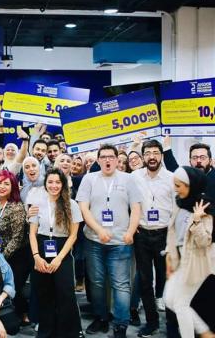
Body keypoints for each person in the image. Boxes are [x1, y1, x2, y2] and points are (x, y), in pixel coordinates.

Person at [77, 144, 142, 338]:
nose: (107, 160)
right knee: (97, 283)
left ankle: (120, 324)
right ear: (98, 160)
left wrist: (130, 232)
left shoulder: (128, 179)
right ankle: (101, 318)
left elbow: (136, 208)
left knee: (121, 284)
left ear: (116, 159)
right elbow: (83, 208)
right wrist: (98, 229)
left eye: (111, 157)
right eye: (103, 157)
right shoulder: (89, 179)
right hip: (94, 240)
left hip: (121, 241)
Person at [28, 168, 83, 337]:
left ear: (63, 184)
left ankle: (69, 333)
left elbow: (73, 235)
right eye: (50, 182)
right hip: (41, 247)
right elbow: (32, 233)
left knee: (65, 294)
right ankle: (46, 332)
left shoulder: (71, 204)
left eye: (58, 182)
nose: (54, 185)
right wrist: (37, 257)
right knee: (44, 295)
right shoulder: (37, 203)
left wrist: (59, 259)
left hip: (62, 250)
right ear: (45, 184)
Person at [164, 166, 215, 338]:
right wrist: (169, 256)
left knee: (180, 304)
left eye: (179, 185)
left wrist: (197, 220)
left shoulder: (203, 207)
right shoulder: (180, 202)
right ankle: (206, 333)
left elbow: (204, 241)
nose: (175, 189)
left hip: (196, 262)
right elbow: (173, 232)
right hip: (180, 261)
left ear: (190, 185)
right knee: (169, 300)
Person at [132, 140, 175, 337]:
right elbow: (128, 203)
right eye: (147, 153)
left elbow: (177, 207)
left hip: (165, 234)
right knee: (144, 280)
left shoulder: (172, 178)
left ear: (161, 156)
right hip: (141, 234)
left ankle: (173, 324)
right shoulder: (134, 177)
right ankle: (152, 322)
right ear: (142, 157)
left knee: (168, 281)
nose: (152, 156)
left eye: (156, 152)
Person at [0, 170, 31, 325]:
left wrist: (1, 258)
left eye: (6, 183)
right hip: (1, 252)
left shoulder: (17, 207)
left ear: (13, 187)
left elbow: (17, 238)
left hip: (17, 255)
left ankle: (23, 312)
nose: (2, 186)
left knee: (15, 287)